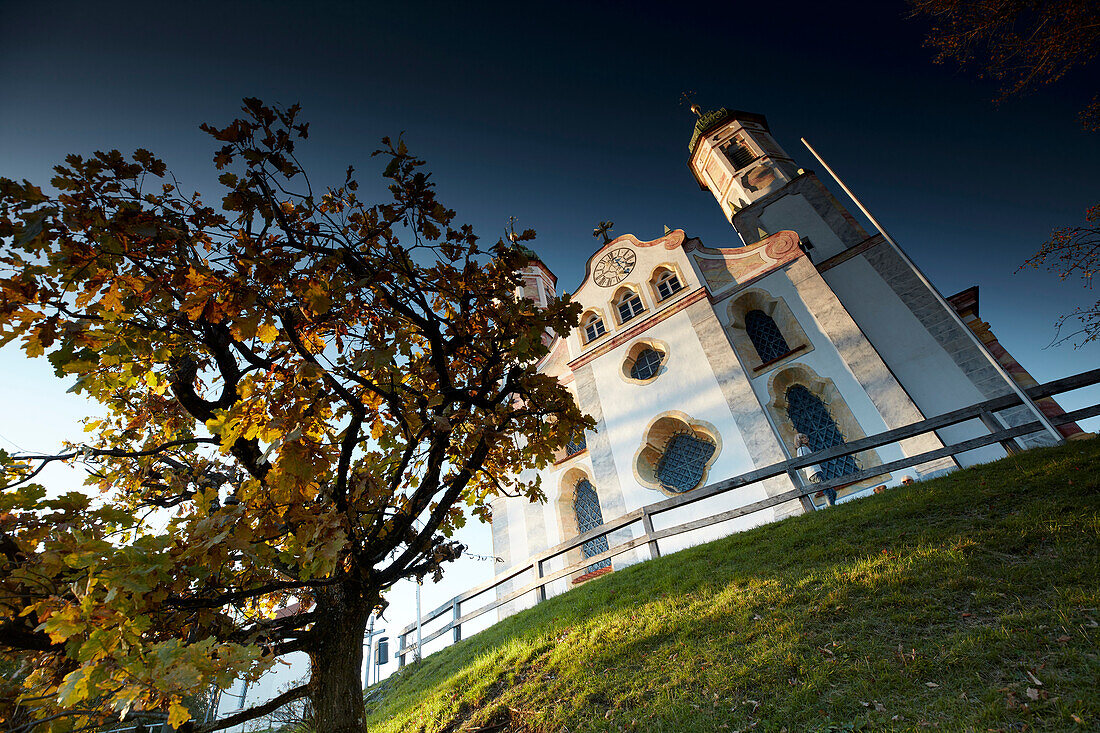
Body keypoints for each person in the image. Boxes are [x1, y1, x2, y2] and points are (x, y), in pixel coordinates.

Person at [796, 433, 835, 506]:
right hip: (814, 472)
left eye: (805, 437)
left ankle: (829, 507)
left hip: (816, 471)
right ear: (799, 440)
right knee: (827, 490)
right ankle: (831, 508)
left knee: (832, 492)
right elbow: (801, 460)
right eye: (802, 438)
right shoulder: (801, 449)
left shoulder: (806, 448)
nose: (805, 438)